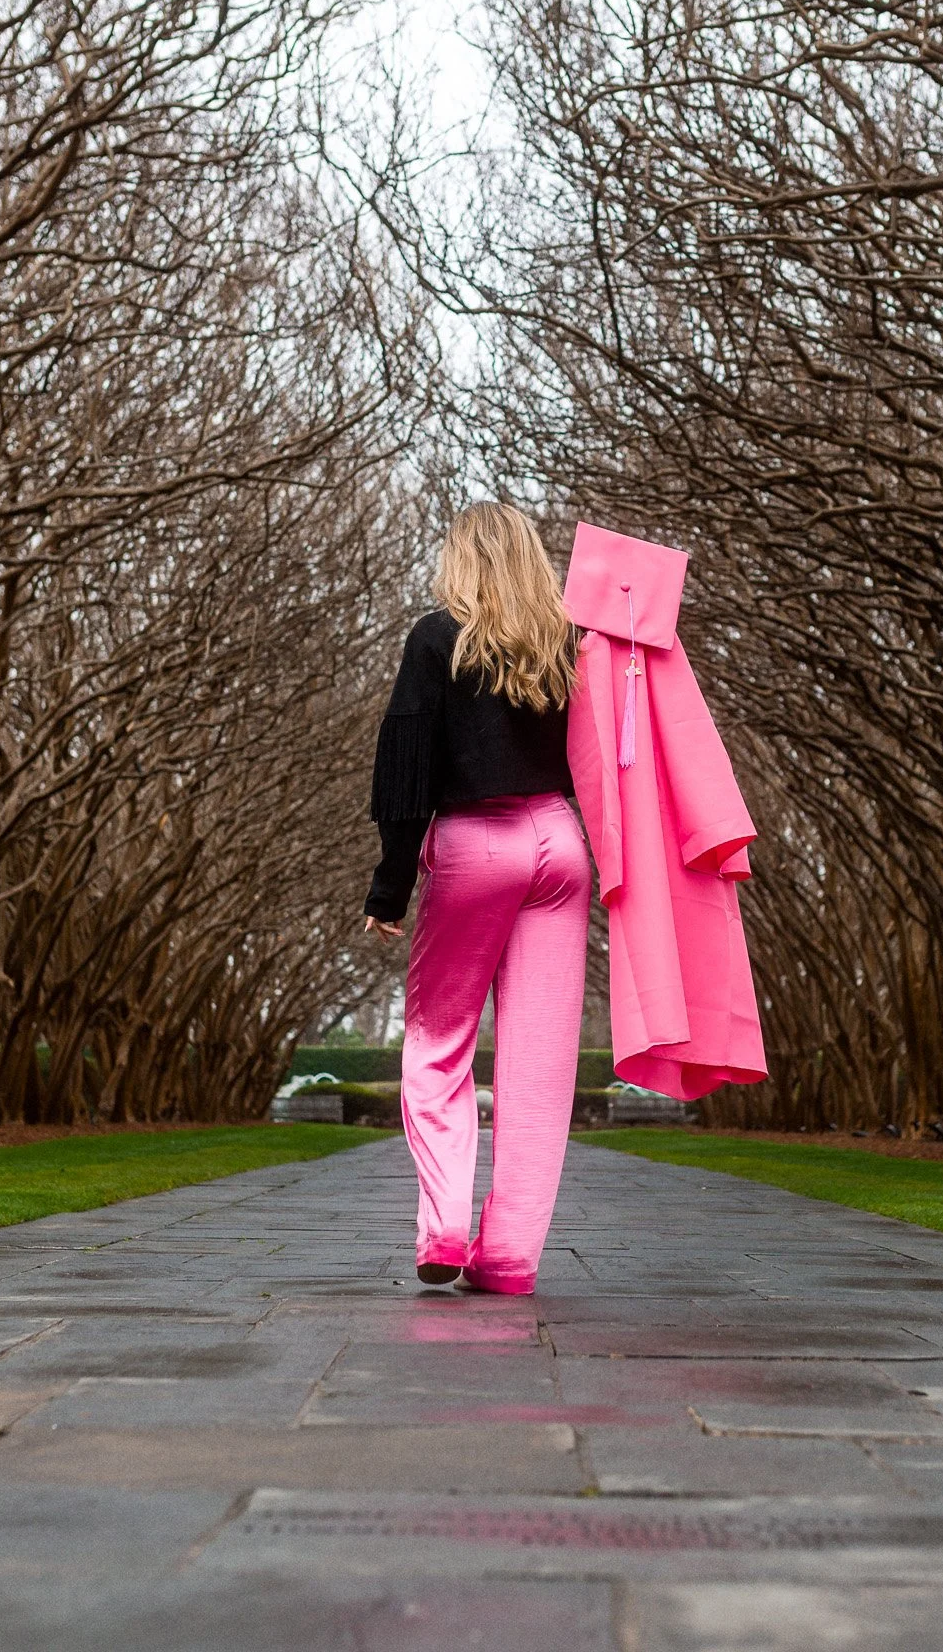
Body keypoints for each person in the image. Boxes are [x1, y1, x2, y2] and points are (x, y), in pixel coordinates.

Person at [364, 502, 590, 1294]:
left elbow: (407, 770)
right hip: (561, 847)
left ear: (462, 558)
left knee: (438, 1042)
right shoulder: (568, 641)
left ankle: (447, 1230)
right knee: (539, 1069)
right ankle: (508, 1261)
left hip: (473, 846)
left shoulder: (436, 637)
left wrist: (390, 885)